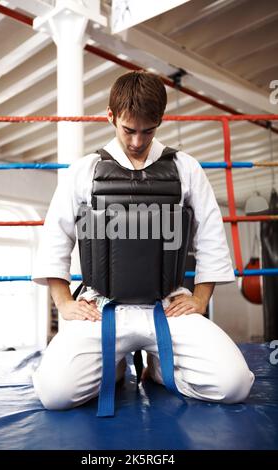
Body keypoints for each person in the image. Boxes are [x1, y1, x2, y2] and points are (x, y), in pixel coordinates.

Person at [32, 71, 254, 414]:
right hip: (101, 308)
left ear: (160, 121)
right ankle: (116, 366)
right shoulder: (84, 170)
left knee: (235, 385)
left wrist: (200, 298)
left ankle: (159, 369)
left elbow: (210, 234)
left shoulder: (185, 168)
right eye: (128, 130)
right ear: (111, 116)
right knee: (54, 394)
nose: (137, 141)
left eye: (147, 131)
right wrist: (63, 303)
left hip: (167, 305)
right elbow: (55, 238)